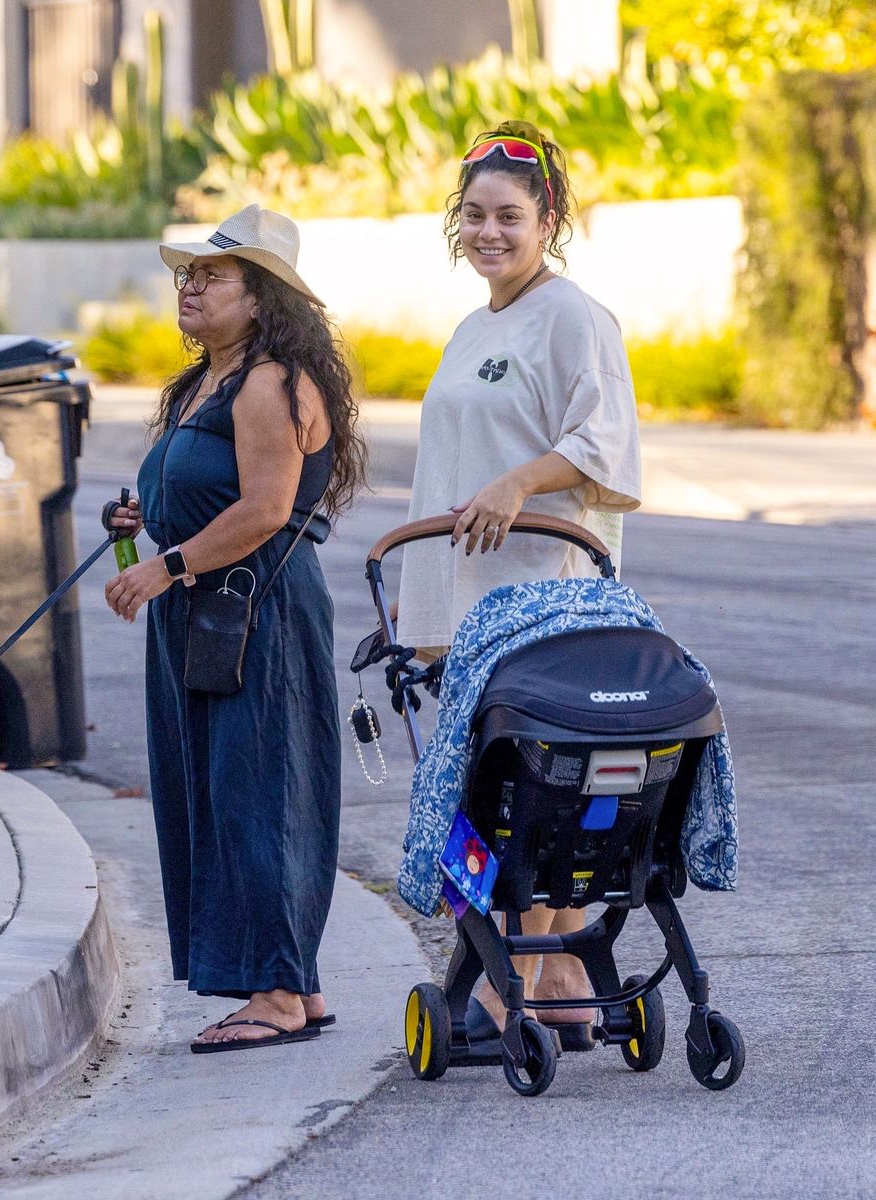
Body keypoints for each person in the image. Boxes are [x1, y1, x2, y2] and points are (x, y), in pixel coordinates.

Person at [394, 121, 642, 1049]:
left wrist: (517, 483)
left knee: (535, 793)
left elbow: (605, 441)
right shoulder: (474, 325)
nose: (488, 232)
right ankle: (569, 985)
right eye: (474, 216)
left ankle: (517, 989)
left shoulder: (575, 316)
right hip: (466, 598)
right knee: (496, 794)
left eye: (509, 216)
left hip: (540, 598)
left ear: (549, 220)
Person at [104, 205, 365, 1053]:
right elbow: (214, 490)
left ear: (261, 300)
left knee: (263, 795)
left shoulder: (269, 382)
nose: (192, 285)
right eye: (189, 273)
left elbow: (265, 509)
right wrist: (145, 514)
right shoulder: (203, 385)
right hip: (209, 618)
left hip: (258, 613)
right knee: (219, 794)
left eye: (213, 275)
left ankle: (280, 996)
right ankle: (293, 985)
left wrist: (166, 565)